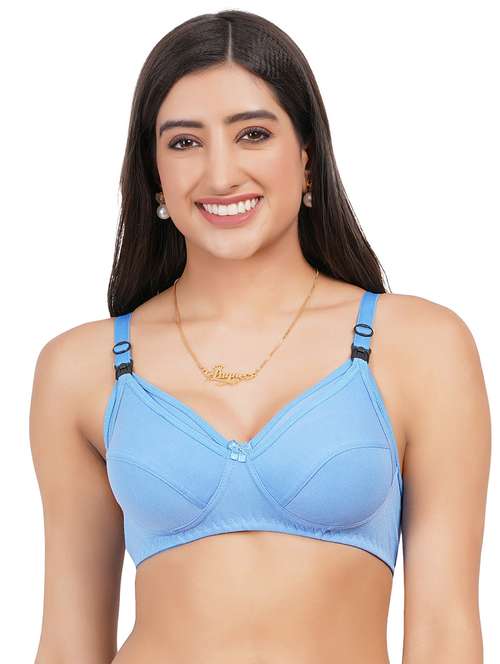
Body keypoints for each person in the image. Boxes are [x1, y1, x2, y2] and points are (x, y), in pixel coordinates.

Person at [30, 10, 490, 664]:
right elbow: (67, 644)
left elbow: (446, 631)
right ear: (154, 174)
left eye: (252, 134)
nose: (220, 175)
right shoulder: (82, 368)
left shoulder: (420, 348)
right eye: (184, 142)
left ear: (307, 158)